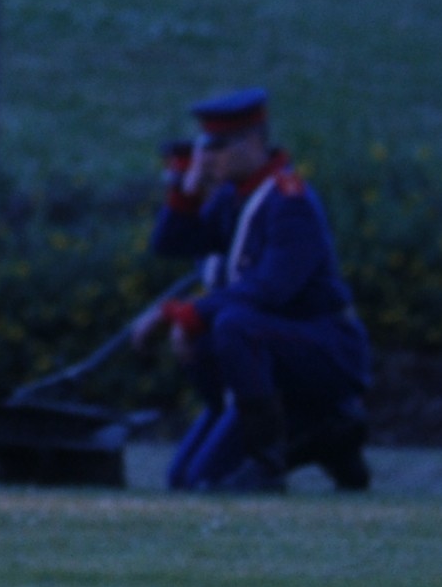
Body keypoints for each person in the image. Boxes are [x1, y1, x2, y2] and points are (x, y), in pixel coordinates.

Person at [135, 87, 374, 492]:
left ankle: (271, 461)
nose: (206, 159)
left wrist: (183, 313)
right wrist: (184, 192)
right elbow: (173, 244)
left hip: (325, 348)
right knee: (185, 480)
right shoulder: (233, 198)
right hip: (274, 349)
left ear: (253, 142)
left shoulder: (289, 201)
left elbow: (270, 290)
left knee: (232, 324)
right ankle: (328, 442)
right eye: (202, 148)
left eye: (217, 147)